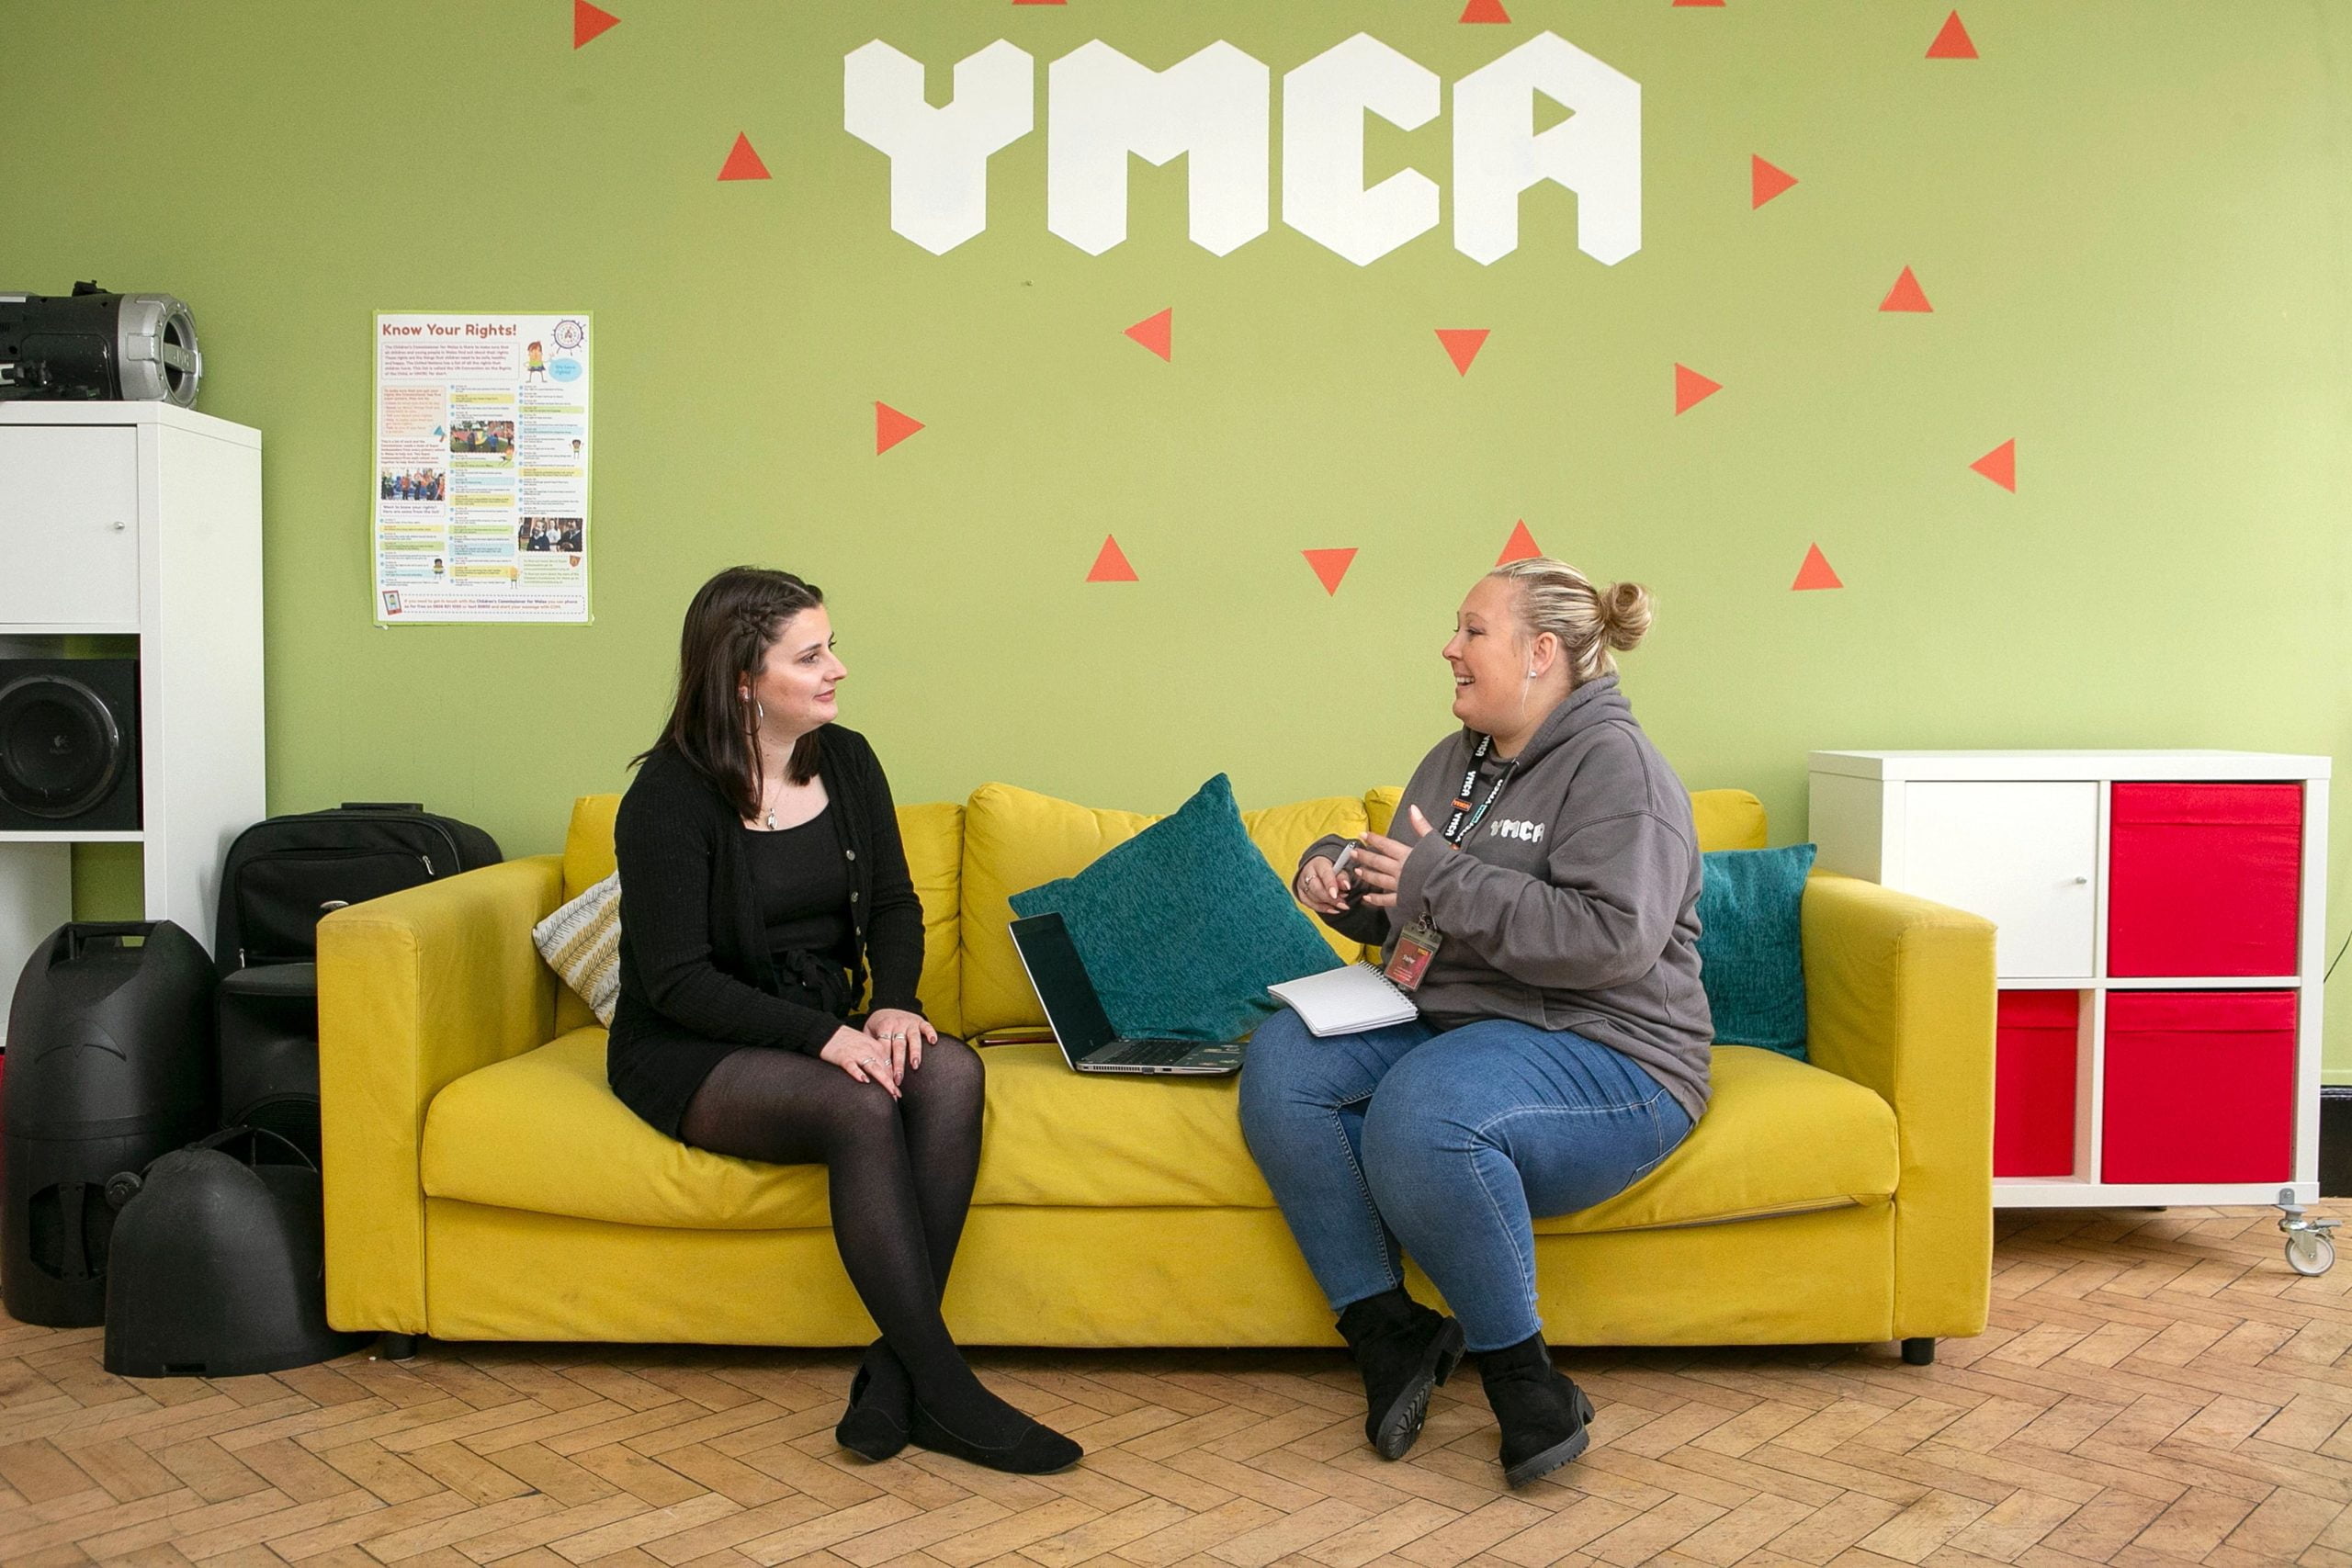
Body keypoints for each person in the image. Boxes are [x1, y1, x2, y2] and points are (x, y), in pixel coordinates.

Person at [1238, 557, 1710, 1490]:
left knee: (1424, 1107)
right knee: (1284, 1061)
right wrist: (1343, 882)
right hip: (1462, 1019)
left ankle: (1524, 1381)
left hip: (1609, 1051)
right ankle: (1389, 1333)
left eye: (1471, 631)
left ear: (1542, 654)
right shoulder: (1460, 759)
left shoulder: (1620, 773)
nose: (1448, 648)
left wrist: (1437, 877)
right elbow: (1414, 907)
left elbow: (1611, 941)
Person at [608, 566, 1081, 1476]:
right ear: (742, 677)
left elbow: (896, 906)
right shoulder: (666, 800)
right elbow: (675, 983)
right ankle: (947, 1389)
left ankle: (893, 1379)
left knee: (948, 1073)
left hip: (822, 1020)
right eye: (811, 654)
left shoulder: (847, 758)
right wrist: (829, 1040)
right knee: (857, 1104)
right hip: (692, 1046)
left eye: (832, 647)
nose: (838, 669)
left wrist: (894, 1004)